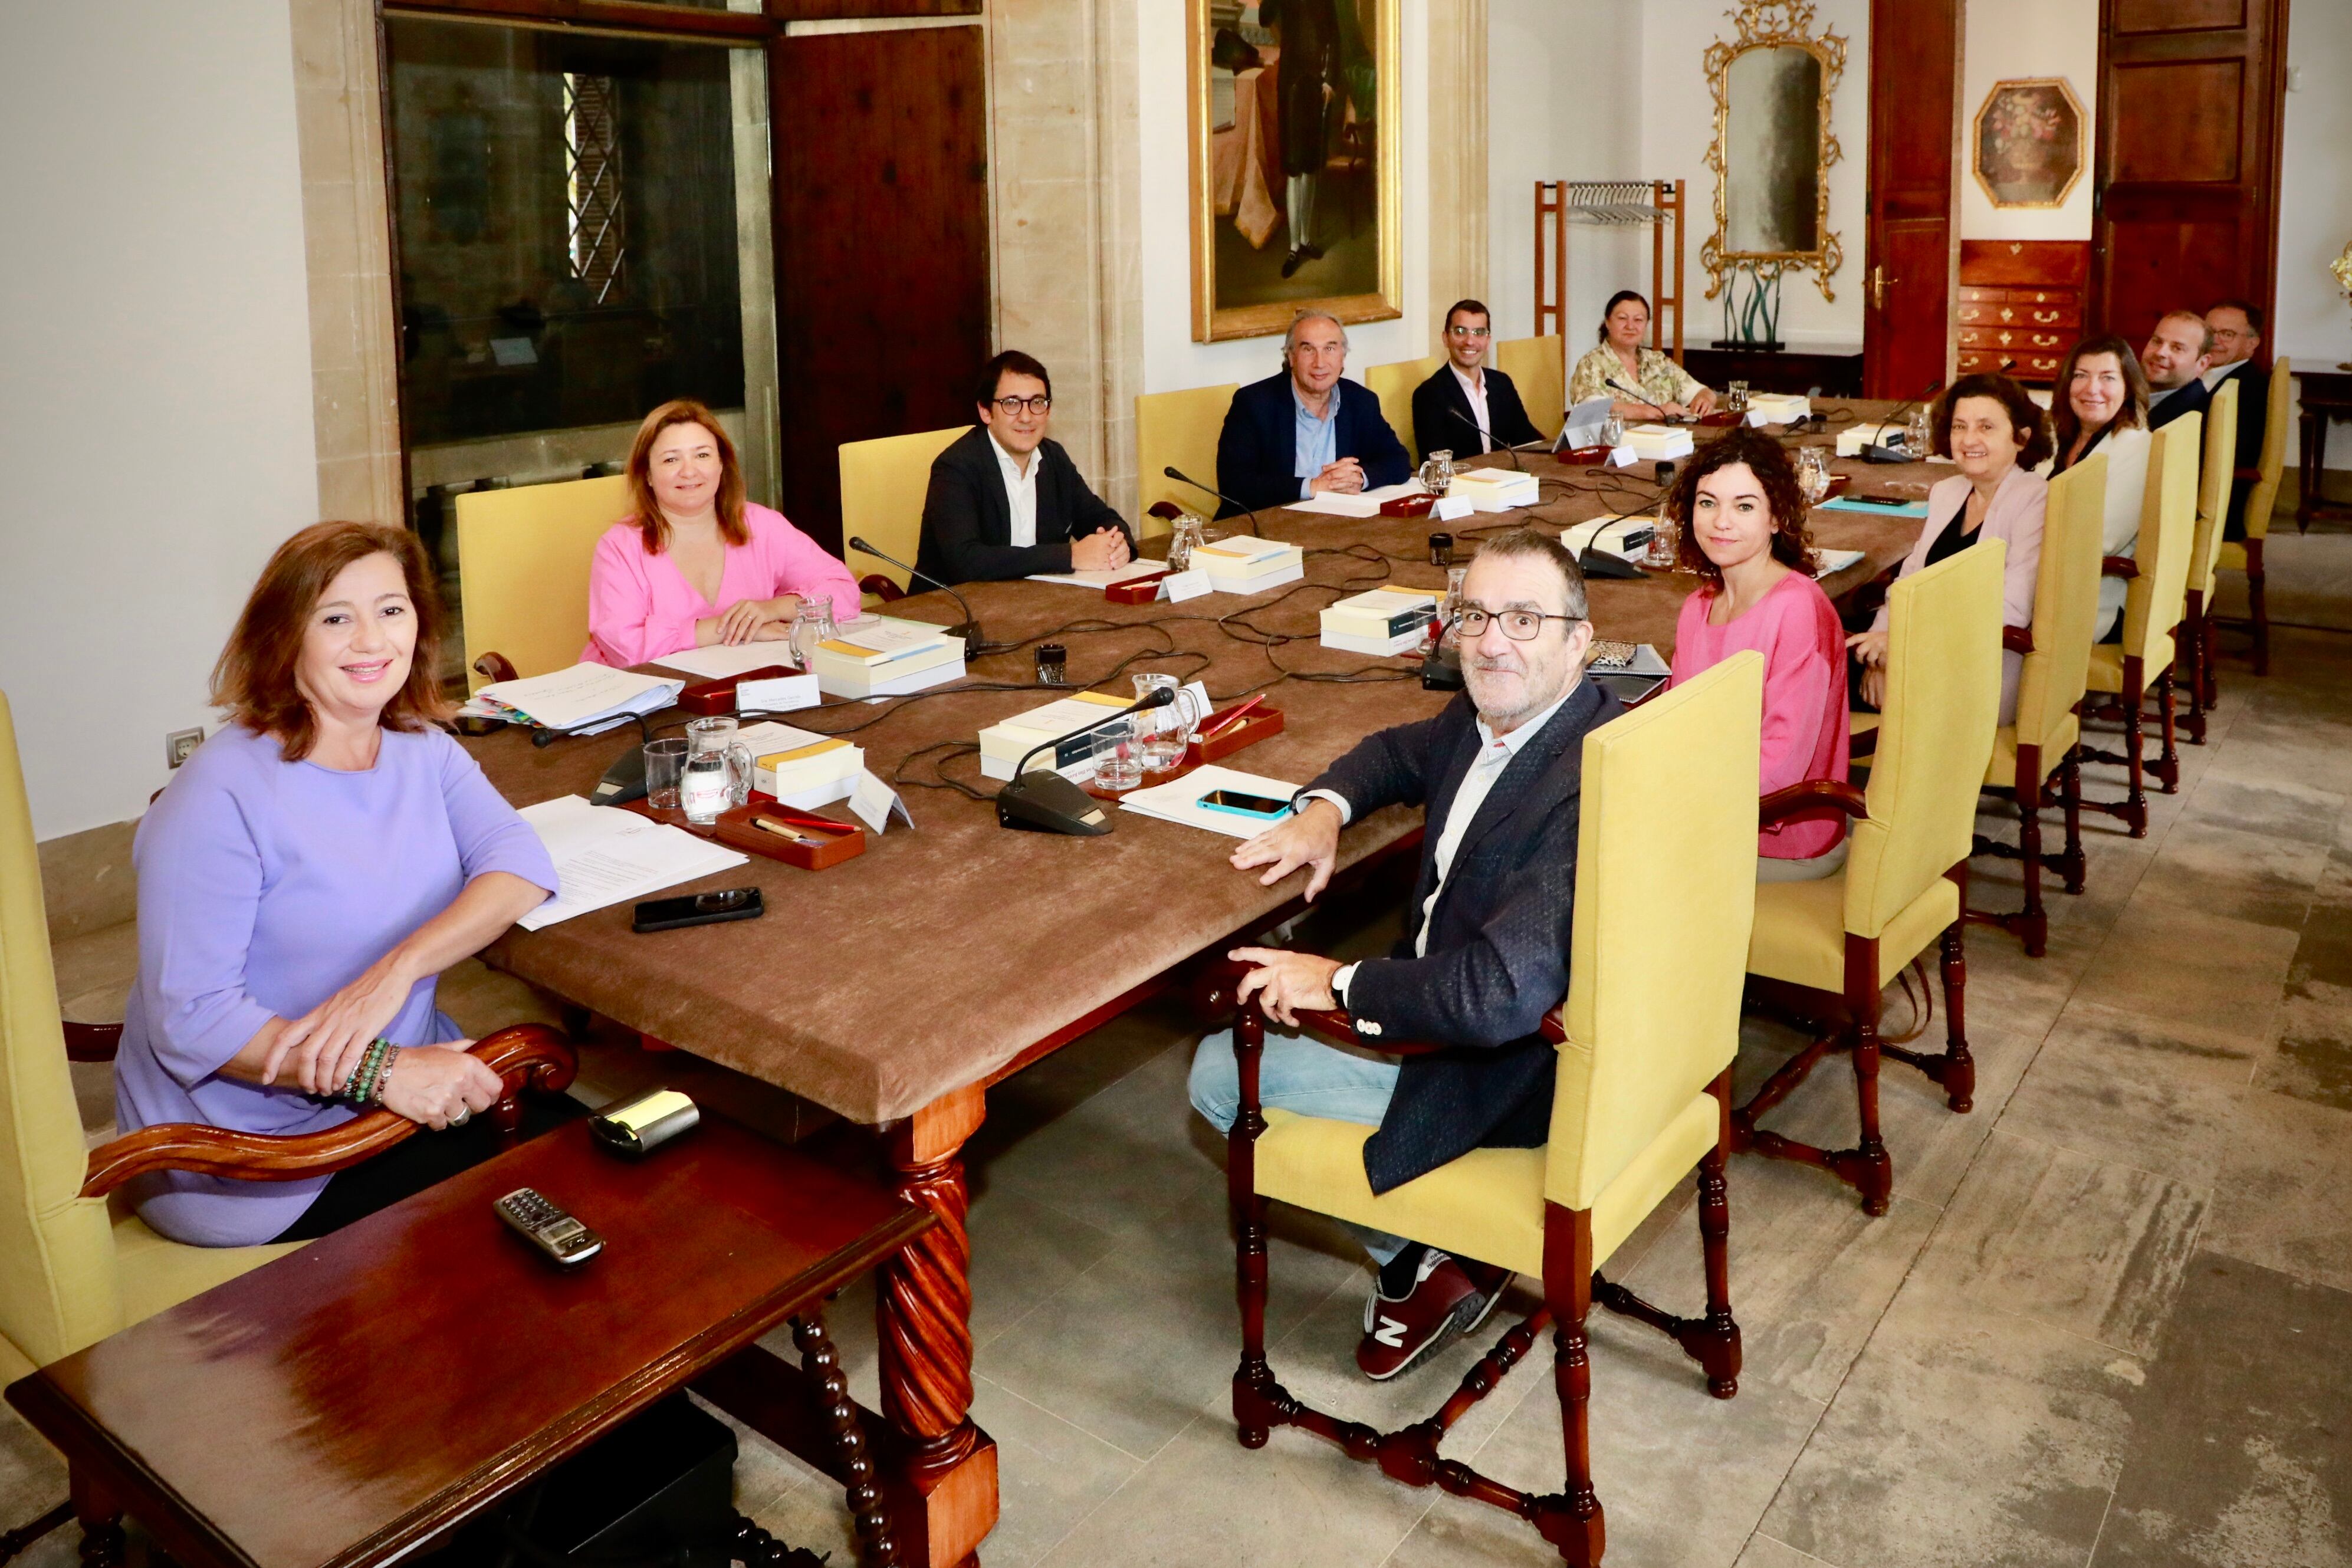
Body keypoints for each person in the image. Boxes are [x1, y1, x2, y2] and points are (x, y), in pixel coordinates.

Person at [1188, 528, 1618, 1380]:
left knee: (1212, 1068)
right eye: (1477, 615)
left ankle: (1416, 1257)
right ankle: (1425, 1249)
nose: (1493, 639)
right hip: (1470, 1018)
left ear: (1582, 640)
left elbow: (1496, 994)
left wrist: (1338, 982)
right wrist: (1323, 809)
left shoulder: (1579, 786)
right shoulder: (1498, 718)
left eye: (1526, 619)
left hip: (1499, 1072)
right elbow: (1394, 751)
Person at [117, 522, 564, 1248]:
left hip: (397, 1086)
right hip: (250, 1155)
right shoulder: (219, 794)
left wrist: (400, 970)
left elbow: (519, 862)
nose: (371, 640)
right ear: (285, 637)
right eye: (335, 617)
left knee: (600, 1154)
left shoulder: (422, 746)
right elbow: (192, 1019)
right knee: (561, 1197)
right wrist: (382, 1072)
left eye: (391, 609)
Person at [1666, 429, 1850, 881]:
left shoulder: (1798, 608)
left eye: (1744, 506)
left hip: (1781, 832)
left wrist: (1677, 800)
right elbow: (1674, 724)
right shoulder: (1698, 607)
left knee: (1613, 865)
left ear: (1775, 518)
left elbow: (1781, 768)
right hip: (1713, 809)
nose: (1720, 521)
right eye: (1707, 503)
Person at [586, 400, 860, 668]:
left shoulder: (760, 524)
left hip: (742, 686)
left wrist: (772, 609)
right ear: (647, 475)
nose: (689, 471)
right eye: (671, 460)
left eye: (702, 455)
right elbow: (624, 648)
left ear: (721, 465)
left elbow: (844, 592)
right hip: (645, 700)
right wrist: (731, 628)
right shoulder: (619, 547)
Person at [1848, 374, 2052, 725]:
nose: (1969, 439)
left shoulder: (2034, 498)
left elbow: (2012, 611)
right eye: (1960, 426)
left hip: (1973, 671)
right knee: (1821, 656)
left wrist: (1899, 647)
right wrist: (1879, 656)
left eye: (1987, 427)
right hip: (1920, 654)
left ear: (2021, 438)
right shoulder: (1948, 492)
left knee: (1816, 684)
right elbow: (1907, 582)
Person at [917, 350, 1136, 585]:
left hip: (1032, 602)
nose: (1026, 416)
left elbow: (1101, 517)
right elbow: (966, 562)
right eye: (1011, 403)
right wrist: (1070, 556)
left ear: (1048, 410)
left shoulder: (1053, 459)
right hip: (952, 611)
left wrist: (1118, 544)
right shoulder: (955, 468)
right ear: (985, 411)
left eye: (1037, 403)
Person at [1216, 309, 1412, 515]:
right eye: (1308, 349)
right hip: (1266, 525)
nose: (1320, 363)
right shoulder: (1253, 403)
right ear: (1291, 357)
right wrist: (1312, 487)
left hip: (1336, 522)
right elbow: (1234, 484)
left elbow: (1399, 461)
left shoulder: (1360, 401)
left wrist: (1359, 478)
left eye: (1330, 348)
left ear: (1343, 357)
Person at [2045, 336, 2153, 642]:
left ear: (2128, 388)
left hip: (2090, 598)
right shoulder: (2066, 435)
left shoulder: (2135, 446)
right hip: (2050, 575)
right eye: (2081, 376)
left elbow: (2103, 541)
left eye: (2107, 378)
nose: (2092, 389)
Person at [1261, 0, 1342, 280]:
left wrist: (1330, 80)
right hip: (1292, 84)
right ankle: (1294, 246)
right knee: (1295, 167)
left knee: (1310, 166)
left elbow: (1333, 38)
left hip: (1317, 86)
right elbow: (1264, 17)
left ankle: (1306, 239)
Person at [1410, 298, 1545, 462]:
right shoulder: (1429, 394)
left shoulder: (1501, 383)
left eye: (1479, 333)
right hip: (1463, 484)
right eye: (1460, 332)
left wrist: (1562, 446)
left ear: (1488, 341)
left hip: (1506, 479)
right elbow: (1437, 462)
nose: (1470, 341)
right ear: (1446, 338)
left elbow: (1526, 439)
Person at [1568, 291, 1716, 420]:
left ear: (1646, 325)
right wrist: (1657, 412)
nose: (1630, 326)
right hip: (1615, 446)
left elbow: (1700, 391)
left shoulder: (1658, 361)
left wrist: (1705, 398)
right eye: (1622, 318)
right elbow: (1594, 409)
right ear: (1607, 322)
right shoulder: (1591, 364)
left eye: (1638, 320)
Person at [2202, 298, 2269, 540]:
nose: (2214, 341)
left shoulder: (2245, 387)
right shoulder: (2210, 374)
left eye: (2227, 334)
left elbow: (2223, 454)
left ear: (2252, 343)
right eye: (2209, 332)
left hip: (2215, 502)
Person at [2140, 310, 2214, 432]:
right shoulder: (2127, 391)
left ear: (2202, 364)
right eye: (2157, 342)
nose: (2160, 353)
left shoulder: (2193, 419)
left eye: (2177, 348)